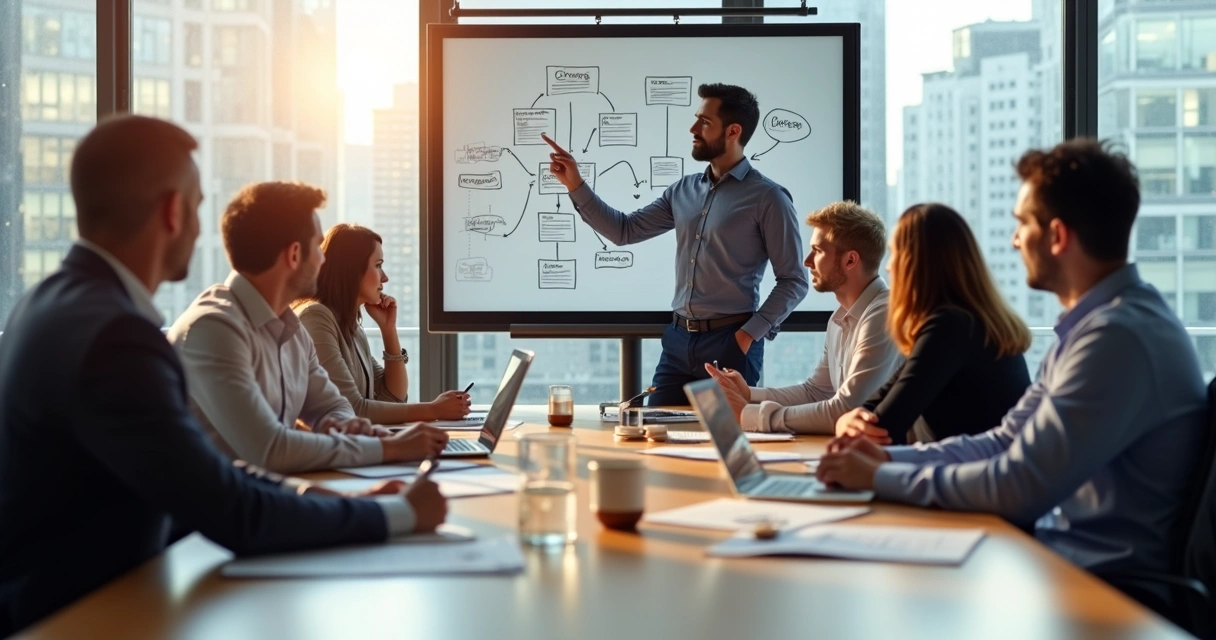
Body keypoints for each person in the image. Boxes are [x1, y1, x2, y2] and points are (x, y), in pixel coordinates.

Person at [0, 115, 445, 636]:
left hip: (104, 595)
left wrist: (321, 500)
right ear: (172, 211)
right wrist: (396, 516)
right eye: (196, 208)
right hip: (80, 618)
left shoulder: (53, 303)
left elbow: (203, 468)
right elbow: (231, 507)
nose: (198, 227)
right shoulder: (115, 336)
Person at [817, 139, 1208, 583]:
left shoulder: (1118, 338)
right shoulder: (1092, 328)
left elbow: (1020, 485)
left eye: (1023, 223)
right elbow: (1002, 442)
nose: (1014, 239)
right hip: (1055, 561)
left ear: (1058, 236)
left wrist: (881, 477)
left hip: (1098, 588)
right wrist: (886, 464)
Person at [542, 83, 809, 406]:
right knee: (656, 435)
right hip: (678, 343)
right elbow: (623, 230)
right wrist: (575, 183)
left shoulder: (769, 198)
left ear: (732, 131)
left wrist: (746, 336)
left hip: (730, 343)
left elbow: (794, 280)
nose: (693, 129)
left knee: (720, 444)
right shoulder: (682, 190)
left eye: (705, 122)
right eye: (696, 119)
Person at [168, 182, 449, 474]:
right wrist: (390, 448)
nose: (324, 259)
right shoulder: (214, 328)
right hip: (218, 514)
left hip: (271, 496)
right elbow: (270, 450)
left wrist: (342, 424)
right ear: (293, 255)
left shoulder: (291, 329)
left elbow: (334, 406)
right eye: (318, 247)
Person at [834, 203, 1032, 445]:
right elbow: (873, 406)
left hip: (982, 477)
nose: (889, 265)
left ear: (913, 263)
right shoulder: (966, 321)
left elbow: (884, 428)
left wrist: (848, 422)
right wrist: (844, 420)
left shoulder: (950, 327)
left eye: (894, 253)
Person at [706, 202, 903, 434]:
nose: (807, 261)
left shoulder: (883, 315)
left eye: (818, 251)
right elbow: (816, 392)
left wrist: (750, 415)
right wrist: (748, 394)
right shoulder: (839, 319)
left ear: (850, 261)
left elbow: (847, 409)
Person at [293, 223, 471, 424]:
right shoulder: (316, 317)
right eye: (378, 265)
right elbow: (351, 409)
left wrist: (388, 330)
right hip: (326, 452)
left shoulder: (350, 327)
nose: (384, 278)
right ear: (352, 270)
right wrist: (433, 410)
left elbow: (394, 398)